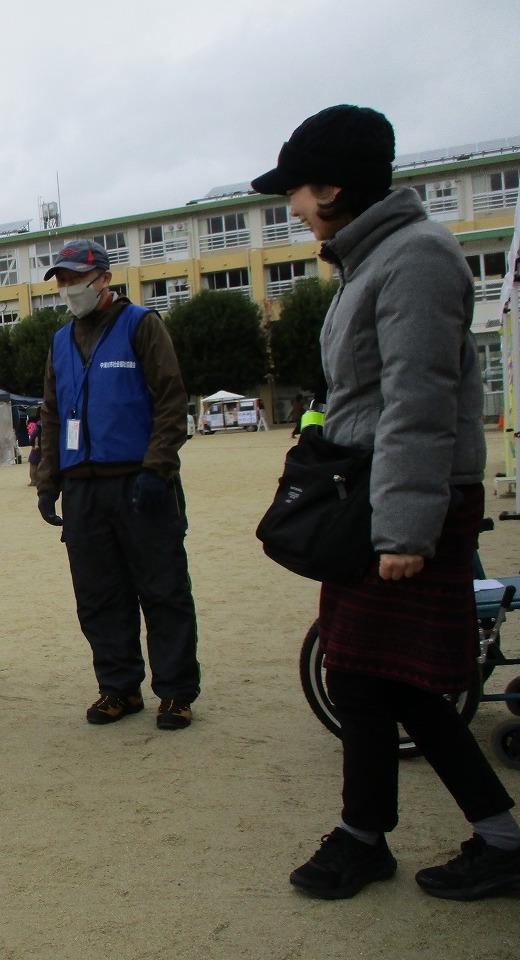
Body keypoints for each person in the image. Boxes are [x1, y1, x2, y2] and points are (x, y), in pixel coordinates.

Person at [250, 104, 520, 901]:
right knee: (362, 673)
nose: (290, 207)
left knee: (392, 677)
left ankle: (471, 838)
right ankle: (373, 835)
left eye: (295, 191)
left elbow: (419, 405)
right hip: (372, 495)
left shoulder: (415, 258)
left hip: (402, 506)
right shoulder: (373, 258)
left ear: (331, 187)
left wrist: (406, 530)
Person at [34, 238, 200, 731]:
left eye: (76, 278)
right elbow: (50, 413)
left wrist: (157, 468)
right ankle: (119, 687)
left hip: (138, 480)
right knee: (98, 594)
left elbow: (171, 399)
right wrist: (48, 481)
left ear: (103, 278)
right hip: (83, 488)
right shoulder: (60, 341)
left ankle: (175, 691)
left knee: (163, 588)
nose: (68, 289)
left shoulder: (142, 325)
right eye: (61, 280)